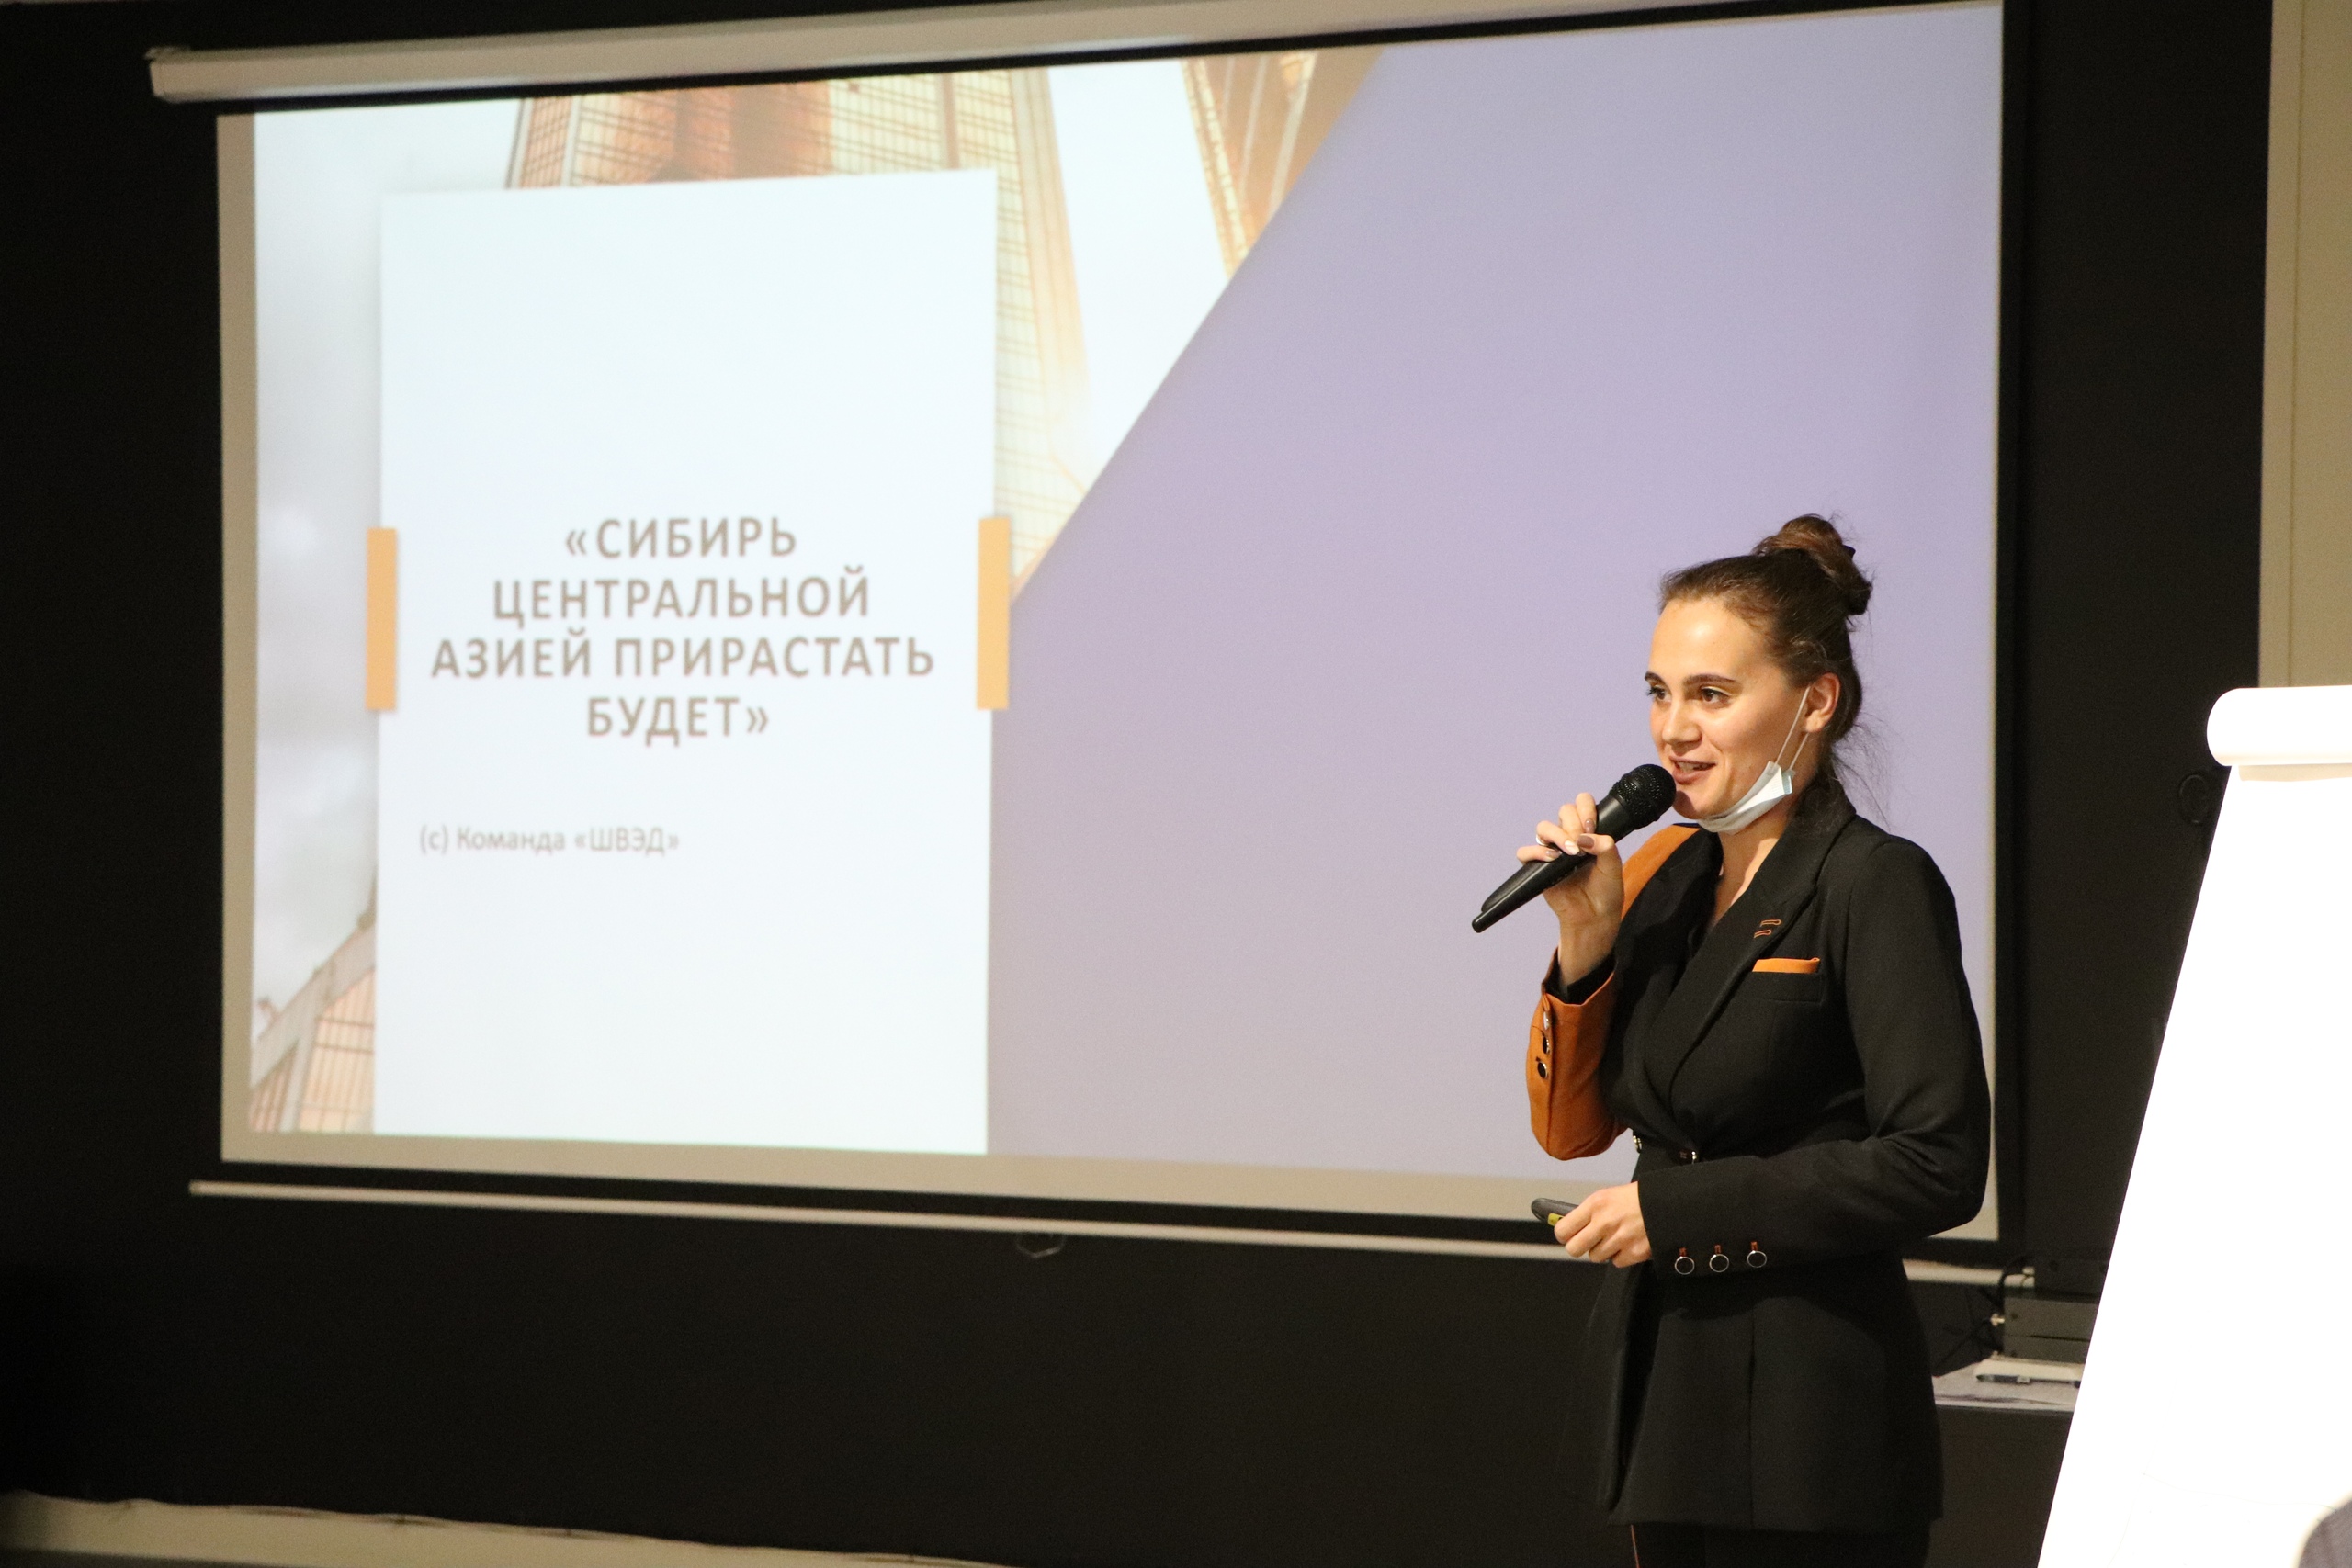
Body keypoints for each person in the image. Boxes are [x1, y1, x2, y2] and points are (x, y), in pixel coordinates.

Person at [1515, 515, 1990, 1568]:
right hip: (1666, 1387)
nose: (1673, 730)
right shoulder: (1665, 875)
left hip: (1805, 1414)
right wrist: (1585, 943)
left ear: (1814, 702)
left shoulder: (1872, 881)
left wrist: (1678, 1213)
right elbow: (1573, 1131)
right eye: (1659, 693)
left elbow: (1938, 1161)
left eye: (1711, 695)